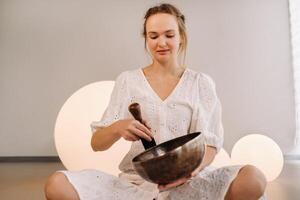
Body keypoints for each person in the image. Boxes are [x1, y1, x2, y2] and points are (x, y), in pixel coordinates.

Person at [45, 3, 267, 200]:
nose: (161, 42)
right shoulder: (128, 81)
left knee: (253, 178)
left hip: (191, 181)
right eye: (153, 36)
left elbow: (209, 144)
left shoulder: (200, 83)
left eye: (169, 35)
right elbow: (97, 143)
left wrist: (190, 173)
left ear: (181, 37)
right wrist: (118, 127)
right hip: (137, 184)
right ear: (146, 39)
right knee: (57, 184)